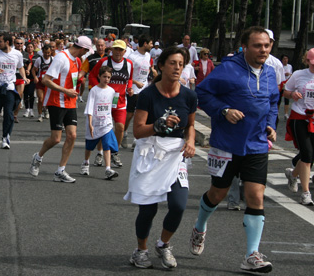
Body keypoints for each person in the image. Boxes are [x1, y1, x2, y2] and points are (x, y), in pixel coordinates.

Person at [190, 26, 278, 273]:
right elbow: (203, 93)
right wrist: (224, 110)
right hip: (227, 144)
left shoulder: (270, 73)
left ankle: (251, 255)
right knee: (218, 194)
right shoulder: (228, 69)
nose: (263, 50)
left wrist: (271, 125)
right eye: (257, 45)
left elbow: (273, 102)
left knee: (256, 196)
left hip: (257, 144)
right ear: (245, 47)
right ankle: (200, 226)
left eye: (266, 45)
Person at [125, 46, 197, 269]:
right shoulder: (147, 94)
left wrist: (191, 141)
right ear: (161, 66)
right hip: (150, 152)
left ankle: (163, 244)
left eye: (180, 64)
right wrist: (158, 124)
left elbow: (191, 125)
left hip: (175, 154)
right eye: (172, 63)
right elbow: (137, 131)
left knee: (179, 204)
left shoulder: (189, 95)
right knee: (148, 208)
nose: (177, 68)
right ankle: (141, 250)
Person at [29, 36, 92, 183]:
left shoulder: (77, 60)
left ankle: (60, 171)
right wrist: (65, 90)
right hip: (56, 101)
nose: (86, 53)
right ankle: (38, 157)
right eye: (87, 51)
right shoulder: (61, 58)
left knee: (72, 136)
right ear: (82, 49)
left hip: (70, 102)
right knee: (56, 139)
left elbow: (75, 79)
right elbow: (46, 80)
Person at [89, 39, 133, 165]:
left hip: (120, 101)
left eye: (121, 50)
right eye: (116, 49)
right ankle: (100, 153)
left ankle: (115, 152)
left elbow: (129, 79)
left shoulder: (129, 63)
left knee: (120, 127)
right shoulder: (104, 61)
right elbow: (92, 75)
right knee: (103, 128)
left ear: (125, 51)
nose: (118, 52)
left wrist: (129, 88)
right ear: (111, 50)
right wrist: (97, 88)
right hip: (104, 102)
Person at [282, 48, 314, 206]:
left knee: (310, 155)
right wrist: (292, 95)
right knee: (307, 154)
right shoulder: (299, 75)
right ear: (307, 61)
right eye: (312, 63)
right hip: (300, 117)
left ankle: (293, 174)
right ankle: (306, 193)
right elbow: (285, 91)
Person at [0, 33, 27, 149]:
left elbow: (20, 67)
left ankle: (5, 138)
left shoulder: (17, 54)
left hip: (9, 86)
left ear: (7, 42)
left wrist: (24, 77)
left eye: (0, 41)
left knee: (9, 113)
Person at [81, 66, 119, 180]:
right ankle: (86, 162)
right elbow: (90, 107)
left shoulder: (112, 91)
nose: (106, 79)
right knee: (89, 146)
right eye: (104, 77)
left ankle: (108, 169)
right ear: (99, 76)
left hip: (106, 123)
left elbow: (112, 106)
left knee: (106, 146)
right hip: (94, 123)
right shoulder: (94, 90)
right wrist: (90, 124)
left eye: (108, 77)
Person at [125, 35, 157, 137]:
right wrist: (136, 83)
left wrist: (152, 72)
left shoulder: (148, 56)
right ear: (145, 44)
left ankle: (138, 136)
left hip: (145, 89)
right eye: (151, 43)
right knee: (130, 114)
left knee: (142, 113)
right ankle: (123, 130)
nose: (152, 46)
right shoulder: (132, 57)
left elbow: (148, 68)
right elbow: (126, 75)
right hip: (133, 89)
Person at [32, 44, 53, 122]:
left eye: (48, 53)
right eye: (45, 53)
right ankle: (40, 115)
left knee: (47, 99)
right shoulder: (39, 60)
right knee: (40, 99)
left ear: (51, 52)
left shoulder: (53, 59)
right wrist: (35, 77)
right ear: (42, 52)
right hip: (40, 82)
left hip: (49, 82)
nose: (47, 54)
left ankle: (46, 110)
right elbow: (33, 70)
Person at [22, 41, 36, 118]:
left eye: (31, 47)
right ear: (26, 48)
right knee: (25, 93)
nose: (30, 48)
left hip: (33, 77)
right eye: (28, 47)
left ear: (33, 48)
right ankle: (26, 109)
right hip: (25, 76)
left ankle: (31, 109)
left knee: (31, 93)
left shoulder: (36, 56)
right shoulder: (24, 55)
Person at [280, 54, 293, 119]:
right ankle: (277, 112)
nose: (285, 60)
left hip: (287, 83)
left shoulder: (290, 66)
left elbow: (291, 74)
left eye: (286, 59)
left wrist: (289, 75)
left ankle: (286, 113)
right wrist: (284, 74)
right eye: (284, 59)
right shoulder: (280, 65)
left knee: (287, 99)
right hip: (281, 82)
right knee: (279, 98)